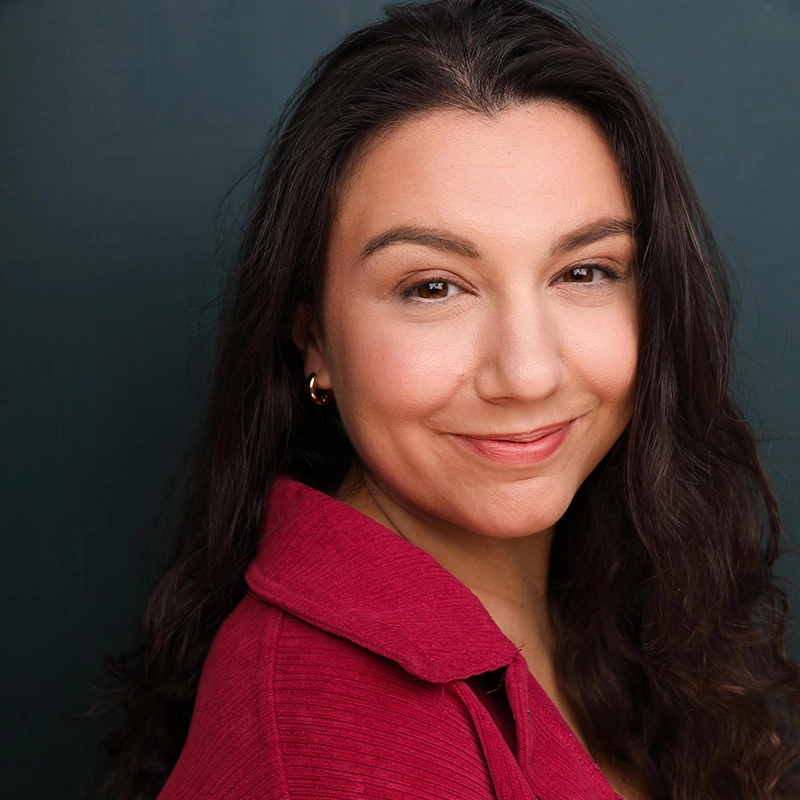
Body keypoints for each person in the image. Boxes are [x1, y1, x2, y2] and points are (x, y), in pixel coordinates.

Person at [88, 1, 800, 798]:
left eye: (585, 271)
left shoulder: (617, 612)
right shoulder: (331, 748)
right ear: (313, 336)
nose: (527, 374)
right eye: (433, 287)